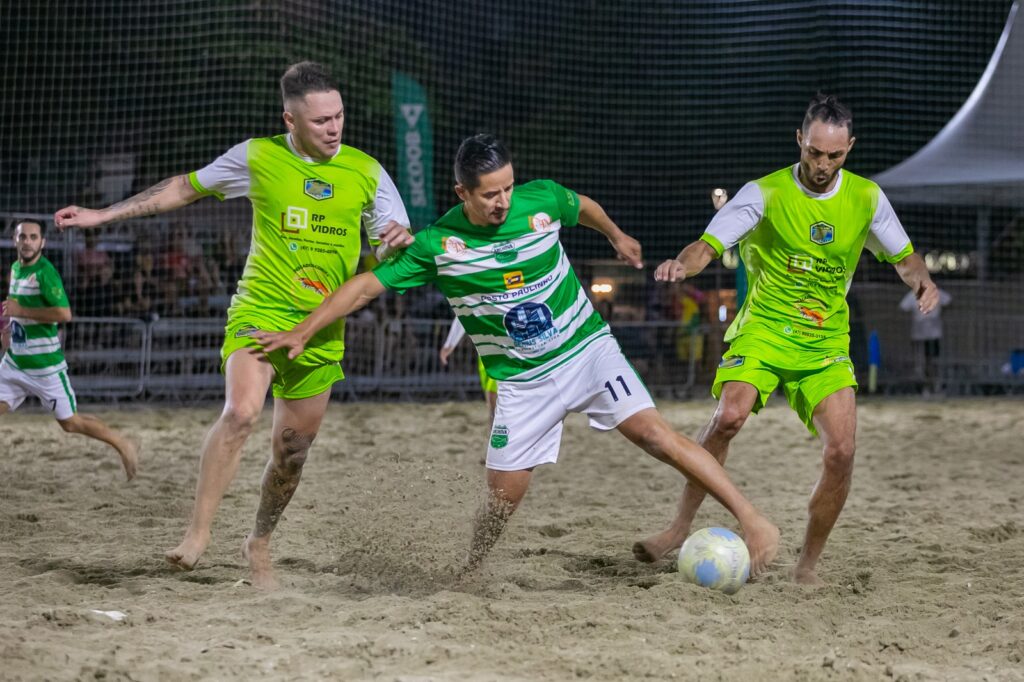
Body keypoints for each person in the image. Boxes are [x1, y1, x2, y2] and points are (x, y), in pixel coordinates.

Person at [255, 134, 780, 576]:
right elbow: (365, 286)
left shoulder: (541, 199)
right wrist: (304, 330)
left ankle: (752, 520)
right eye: (489, 194)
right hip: (523, 382)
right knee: (503, 496)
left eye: (507, 187)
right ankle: (472, 567)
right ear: (462, 191)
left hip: (586, 351)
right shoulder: (438, 244)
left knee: (657, 435)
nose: (503, 200)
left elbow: (581, 205)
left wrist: (618, 236)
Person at [54, 62, 413, 589]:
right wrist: (103, 216)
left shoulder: (367, 170)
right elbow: (183, 188)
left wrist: (391, 244)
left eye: (339, 116)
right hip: (260, 313)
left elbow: (388, 242)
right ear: (289, 119)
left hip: (322, 327)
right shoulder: (258, 156)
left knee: (290, 455)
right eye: (321, 121)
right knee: (241, 412)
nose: (334, 128)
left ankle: (259, 542)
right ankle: (198, 534)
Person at [633, 93, 941, 584]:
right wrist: (681, 263)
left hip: (824, 343)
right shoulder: (764, 193)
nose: (822, 165)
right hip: (765, 329)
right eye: (814, 152)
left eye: (834, 156)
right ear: (800, 140)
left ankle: (807, 567)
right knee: (728, 417)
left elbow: (906, 259)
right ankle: (678, 527)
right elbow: (708, 245)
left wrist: (923, 283)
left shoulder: (866, 198)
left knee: (842, 451)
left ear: (849, 148)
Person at [1, 220, 138, 480]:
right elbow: (16, 312)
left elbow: (64, 314)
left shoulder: (46, 272)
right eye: (22, 237)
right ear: (14, 240)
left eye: (33, 237)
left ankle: (122, 443)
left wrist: (21, 311)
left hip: (45, 368)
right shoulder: (15, 269)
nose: (27, 242)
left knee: (71, 424)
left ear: (43, 242)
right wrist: (8, 329)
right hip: (14, 363)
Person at [439, 317, 498, 425]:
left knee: (495, 396)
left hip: (506, 347)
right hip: (486, 348)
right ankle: (495, 435)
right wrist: (450, 344)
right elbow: (463, 310)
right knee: (491, 400)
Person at [899, 286, 951, 392]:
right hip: (919, 335)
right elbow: (902, 308)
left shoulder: (936, 292)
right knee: (921, 362)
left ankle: (935, 384)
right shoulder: (913, 295)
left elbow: (949, 302)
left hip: (934, 334)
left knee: (933, 361)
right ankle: (925, 385)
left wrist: (938, 314)